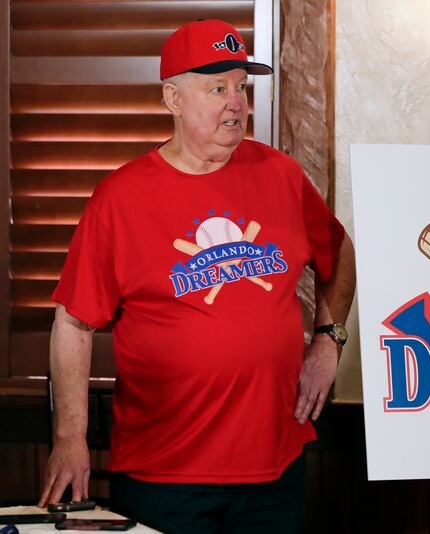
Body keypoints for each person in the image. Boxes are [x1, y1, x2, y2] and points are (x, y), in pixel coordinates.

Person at [37, 19, 355, 533]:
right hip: (164, 474)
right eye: (217, 88)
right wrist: (70, 437)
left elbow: (339, 256)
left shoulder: (281, 175)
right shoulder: (120, 198)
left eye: (241, 86)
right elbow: (74, 323)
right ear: (173, 99)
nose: (237, 103)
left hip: (275, 467)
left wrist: (328, 339)